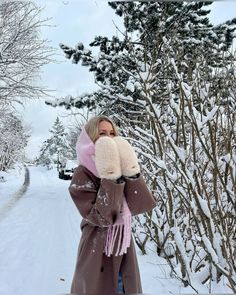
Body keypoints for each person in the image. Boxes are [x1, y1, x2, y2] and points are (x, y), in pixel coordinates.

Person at [69, 115, 156, 295]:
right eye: (102, 134)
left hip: (123, 246)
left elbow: (140, 204)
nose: (108, 138)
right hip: (97, 249)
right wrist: (110, 175)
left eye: (112, 133)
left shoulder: (120, 166)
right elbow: (102, 217)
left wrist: (130, 170)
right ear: (90, 139)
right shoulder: (82, 174)